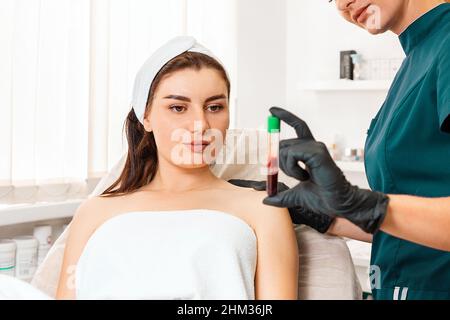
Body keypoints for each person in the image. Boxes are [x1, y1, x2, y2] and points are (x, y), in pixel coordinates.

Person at [233, 0, 450, 300]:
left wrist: (363, 204)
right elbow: (409, 229)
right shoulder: (417, 55)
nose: (344, 3)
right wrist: (323, 211)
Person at [56, 37, 298, 300]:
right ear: (145, 116)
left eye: (214, 107)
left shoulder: (262, 208)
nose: (200, 124)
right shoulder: (95, 211)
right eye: (178, 108)